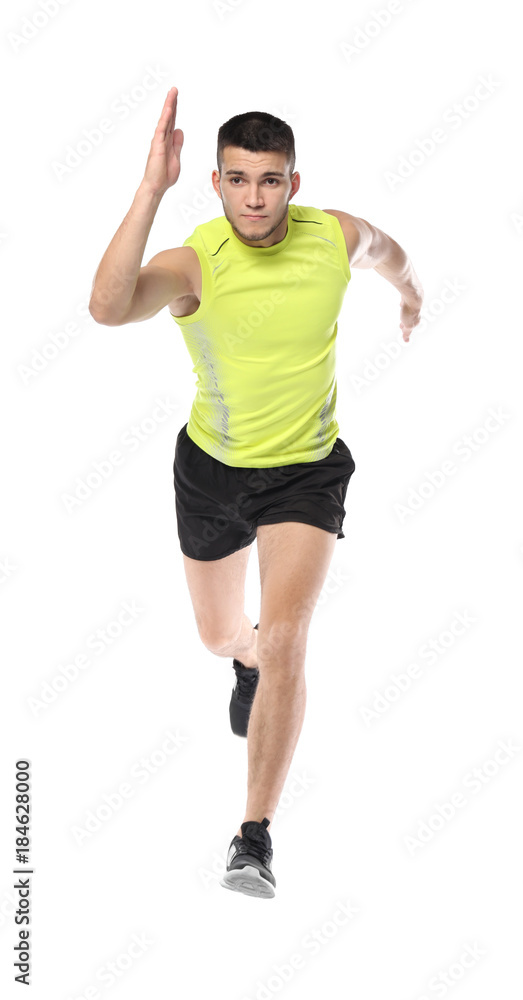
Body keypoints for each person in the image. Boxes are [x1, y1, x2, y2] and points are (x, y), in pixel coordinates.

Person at [89, 87, 423, 899]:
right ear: (215, 182)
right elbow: (105, 309)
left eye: (268, 180)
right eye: (237, 179)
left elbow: (388, 252)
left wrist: (411, 295)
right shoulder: (195, 261)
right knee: (222, 637)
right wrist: (147, 192)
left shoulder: (332, 234)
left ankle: (252, 837)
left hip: (306, 473)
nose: (253, 197)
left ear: (293, 182)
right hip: (210, 469)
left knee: (287, 640)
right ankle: (241, 660)